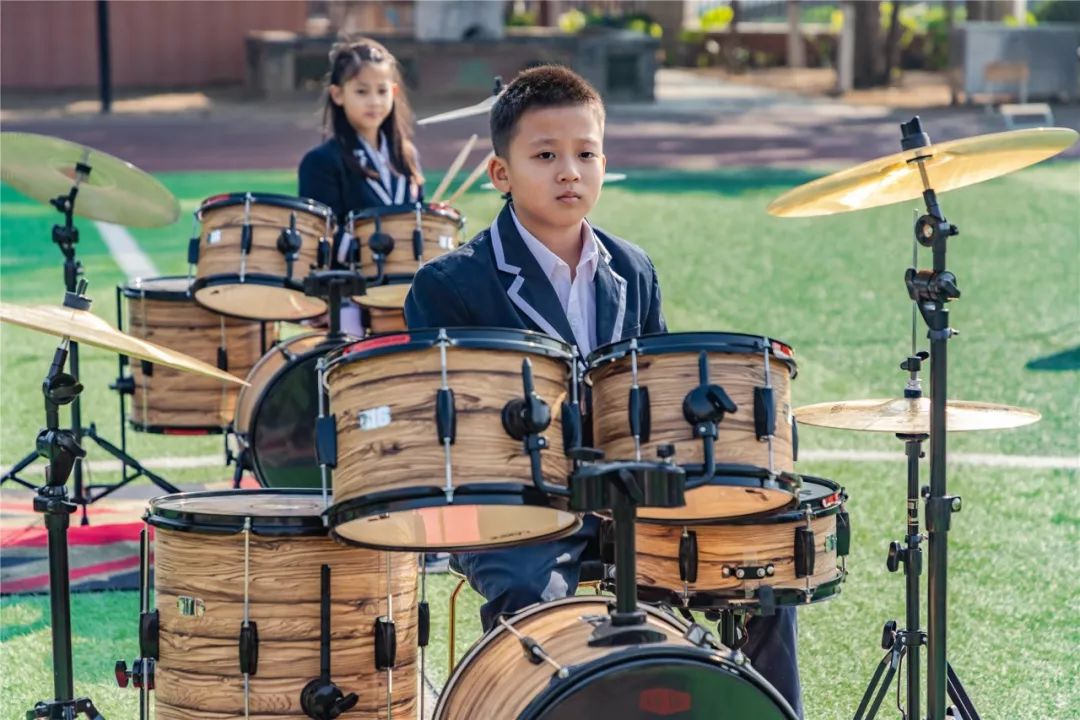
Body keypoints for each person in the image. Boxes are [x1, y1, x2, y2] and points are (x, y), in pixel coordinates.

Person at [404, 65, 803, 717]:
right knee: (536, 597)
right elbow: (449, 440)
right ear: (500, 174)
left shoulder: (633, 268)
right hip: (517, 510)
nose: (569, 170)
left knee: (759, 577)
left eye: (585, 153)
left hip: (630, 499)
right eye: (545, 155)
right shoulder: (448, 284)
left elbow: (658, 398)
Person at [298, 37, 423, 334]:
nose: (374, 101)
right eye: (362, 91)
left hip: (405, 294)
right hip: (349, 297)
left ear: (394, 92)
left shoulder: (407, 157)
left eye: (382, 91)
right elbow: (321, 238)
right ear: (338, 95)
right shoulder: (321, 161)